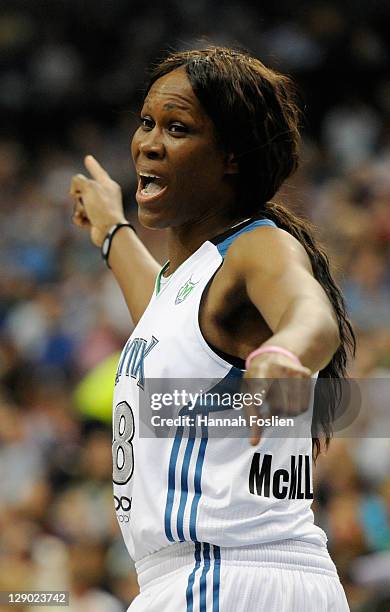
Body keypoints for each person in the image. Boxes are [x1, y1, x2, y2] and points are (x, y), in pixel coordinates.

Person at [70, 46, 355, 611]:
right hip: (235, 579)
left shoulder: (259, 247)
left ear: (230, 156)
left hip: (224, 577)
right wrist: (109, 228)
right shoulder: (193, 280)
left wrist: (286, 353)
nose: (149, 142)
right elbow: (159, 310)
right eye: (146, 123)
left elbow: (311, 313)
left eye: (177, 128)